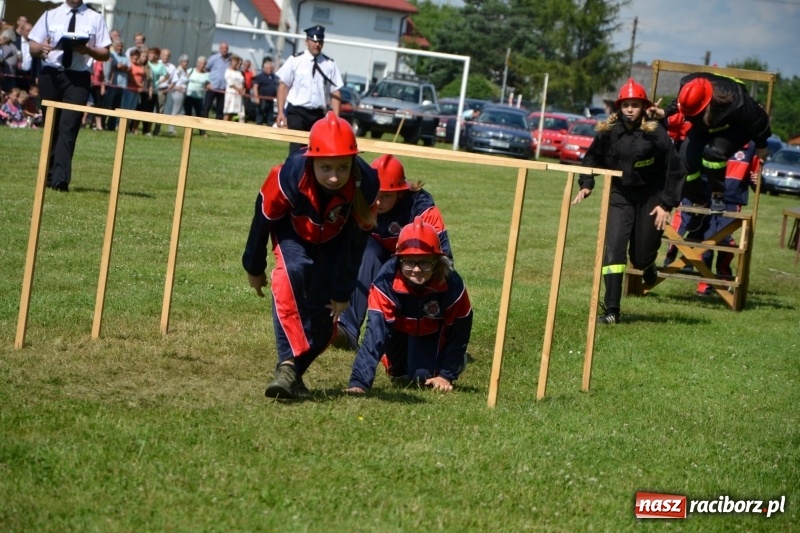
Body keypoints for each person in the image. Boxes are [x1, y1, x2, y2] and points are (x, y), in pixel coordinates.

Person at [242, 111, 379, 399]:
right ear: (311, 159)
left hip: (334, 240)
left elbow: (356, 243)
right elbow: (262, 219)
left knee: (324, 319)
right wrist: (254, 267)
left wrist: (343, 291)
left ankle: (290, 374)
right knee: (292, 272)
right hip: (292, 231)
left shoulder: (366, 183)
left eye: (343, 168)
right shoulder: (287, 176)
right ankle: (288, 363)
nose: (334, 176)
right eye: (326, 167)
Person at [572, 78, 684, 324]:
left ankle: (648, 265)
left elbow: (675, 170)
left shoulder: (657, 134)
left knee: (640, 255)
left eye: (635, 104)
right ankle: (612, 310)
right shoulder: (608, 133)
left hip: (651, 198)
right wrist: (587, 185)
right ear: (619, 107)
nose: (630, 109)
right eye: (626, 105)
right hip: (620, 196)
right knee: (613, 251)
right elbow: (591, 159)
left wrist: (666, 204)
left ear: (644, 106)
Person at [334, 154, 452, 350]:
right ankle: (347, 329)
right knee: (365, 252)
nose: (378, 202)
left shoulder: (421, 209)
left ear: (401, 192)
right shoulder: (358, 199)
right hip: (377, 256)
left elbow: (443, 258)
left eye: (386, 195)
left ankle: (431, 337)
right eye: (376, 193)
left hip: (413, 264)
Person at [345, 217, 473, 394]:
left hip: (431, 331)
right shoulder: (385, 281)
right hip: (399, 330)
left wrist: (446, 374)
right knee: (397, 374)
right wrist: (359, 383)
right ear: (399, 260)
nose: (417, 269)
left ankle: (455, 362)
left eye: (425, 262)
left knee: (421, 377)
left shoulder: (452, 283)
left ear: (436, 261)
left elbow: (459, 333)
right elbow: (375, 331)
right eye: (409, 262)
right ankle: (394, 360)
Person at [653, 72, 771, 214]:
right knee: (684, 160)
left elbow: (760, 120)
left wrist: (761, 145)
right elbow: (680, 102)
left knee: (713, 153)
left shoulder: (737, 101)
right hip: (705, 126)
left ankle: (718, 195)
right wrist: (665, 112)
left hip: (734, 127)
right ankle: (699, 201)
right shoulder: (686, 83)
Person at [28, 0, 111, 192]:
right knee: (51, 125)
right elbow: (33, 46)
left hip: (78, 78)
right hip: (51, 75)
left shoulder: (95, 18)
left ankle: (60, 179)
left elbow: (105, 53)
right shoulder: (50, 15)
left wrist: (88, 50)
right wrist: (42, 48)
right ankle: (47, 175)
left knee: (69, 126)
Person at [275, 25, 344, 154]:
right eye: (314, 41)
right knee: (297, 150)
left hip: (318, 114)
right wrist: (280, 112)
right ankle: (294, 173)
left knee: (316, 149)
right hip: (297, 112)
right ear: (307, 41)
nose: (317, 44)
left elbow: (335, 92)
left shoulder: (329, 64)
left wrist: (337, 119)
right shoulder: (295, 60)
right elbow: (283, 86)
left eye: (320, 42)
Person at [203, 42, 230, 122]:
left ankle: (217, 127)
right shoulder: (214, 58)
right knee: (207, 107)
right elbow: (206, 69)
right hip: (212, 86)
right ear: (220, 49)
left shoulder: (229, 60)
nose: (225, 50)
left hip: (223, 87)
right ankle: (202, 126)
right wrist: (207, 83)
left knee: (220, 109)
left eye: (226, 48)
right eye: (223, 48)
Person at [183, 55, 208, 136]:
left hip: (199, 98)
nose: (202, 65)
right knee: (188, 114)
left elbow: (208, 85)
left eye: (204, 64)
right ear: (197, 63)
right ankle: (187, 131)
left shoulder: (206, 74)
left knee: (200, 115)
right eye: (201, 63)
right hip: (189, 96)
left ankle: (202, 132)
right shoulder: (190, 71)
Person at [165, 53, 189, 135]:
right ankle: (171, 128)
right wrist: (175, 87)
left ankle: (173, 127)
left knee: (178, 110)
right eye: (184, 61)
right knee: (175, 110)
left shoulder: (185, 71)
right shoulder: (178, 71)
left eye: (187, 61)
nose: (186, 63)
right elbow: (174, 80)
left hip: (183, 92)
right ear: (181, 62)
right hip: (178, 92)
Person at [252, 57, 278, 126]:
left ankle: (269, 126)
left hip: (271, 99)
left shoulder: (273, 76)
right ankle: (258, 127)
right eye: (269, 68)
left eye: (271, 68)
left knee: (270, 116)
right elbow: (255, 87)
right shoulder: (260, 76)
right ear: (265, 68)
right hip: (262, 99)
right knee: (260, 115)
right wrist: (256, 98)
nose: (271, 69)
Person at [223, 54, 245, 123]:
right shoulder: (228, 71)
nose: (236, 63)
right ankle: (223, 128)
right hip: (231, 93)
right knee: (228, 111)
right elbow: (230, 83)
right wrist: (238, 89)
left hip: (238, 94)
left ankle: (229, 127)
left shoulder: (239, 72)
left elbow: (242, 81)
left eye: (237, 61)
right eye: (234, 61)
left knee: (233, 112)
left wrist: (242, 89)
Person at [0, 27, 19, 92]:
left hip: (6, 76)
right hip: (9, 75)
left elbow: (1, 59)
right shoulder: (13, 46)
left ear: (5, 39)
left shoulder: (8, 47)